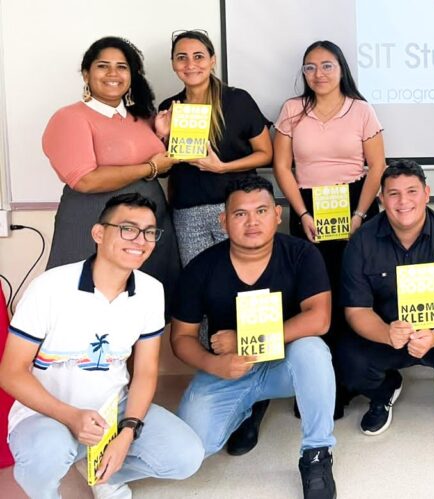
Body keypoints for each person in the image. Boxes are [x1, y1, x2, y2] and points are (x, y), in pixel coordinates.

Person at [0, 194, 203, 499]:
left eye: (149, 232)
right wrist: (69, 416)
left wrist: (128, 431)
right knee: (48, 456)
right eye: (127, 228)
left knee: (185, 455)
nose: (140, 240)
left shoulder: (150, 291)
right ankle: (46, 475)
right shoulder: (50, 287)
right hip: (44, 412)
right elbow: (11, 372)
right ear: (98, 233)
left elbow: (146, 371)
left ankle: (103, 473)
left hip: (112, 408)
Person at [170, 176, 337, 499]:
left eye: (261, 211)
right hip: (230, 368)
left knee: (313, 350)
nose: (252, 222)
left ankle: (317, 453)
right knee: (192, 447)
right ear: (224, 221)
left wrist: (248, 336)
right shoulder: (201, 268)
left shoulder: (301, 254)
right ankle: (247, 407)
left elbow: (320, 318)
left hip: (283, 364)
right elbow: (181, 338)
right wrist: (213, 364)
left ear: (277, 214)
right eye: (240, 214)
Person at [158, 29, 274, 454]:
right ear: (173, 64)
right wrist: (159, 135)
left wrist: (221, 167)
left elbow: (267, 154)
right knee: (204, 300)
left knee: (253, 294)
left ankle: (254, 398)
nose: (191, 63)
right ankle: (223, 381)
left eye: (198, 55)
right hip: (187, 213)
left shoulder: (237, 101)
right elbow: (166, 167)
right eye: (182, 57)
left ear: (212, 59)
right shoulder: (169, 109)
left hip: (240, 211)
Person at [272, 40, 386, 418]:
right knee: (310, 295)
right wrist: (302, 213)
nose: (318, 74)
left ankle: (349, 382)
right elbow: (282, 168)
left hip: (353, 205)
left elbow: (377, 167)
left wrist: (359, 215)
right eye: (310, 67)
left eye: (326, 66)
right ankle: (314, 386)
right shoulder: (292, 110)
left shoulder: (362, 110)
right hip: (307, 207)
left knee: (348, 292)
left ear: (341, 69)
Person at [339, 160, 434, 434]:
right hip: (386, 333)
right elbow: (356, 310)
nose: (403, 201)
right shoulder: (362, 241)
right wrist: (385, 333)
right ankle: (384, 393)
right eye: (393, 193)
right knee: (348, 361)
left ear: (427, 193)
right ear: (381, 198)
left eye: (412, 191)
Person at [42, 36, 179, 311]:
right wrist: (150, 168)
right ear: (86, 73)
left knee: (143, 309)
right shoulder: (70, 117)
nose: (113, 74)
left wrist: (161, 136)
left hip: (147, 226)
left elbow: (158, 162)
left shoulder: (141, 117)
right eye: (103, 66)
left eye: (122, 67)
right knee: (85, 306)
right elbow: (84, 179)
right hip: (92, 222)